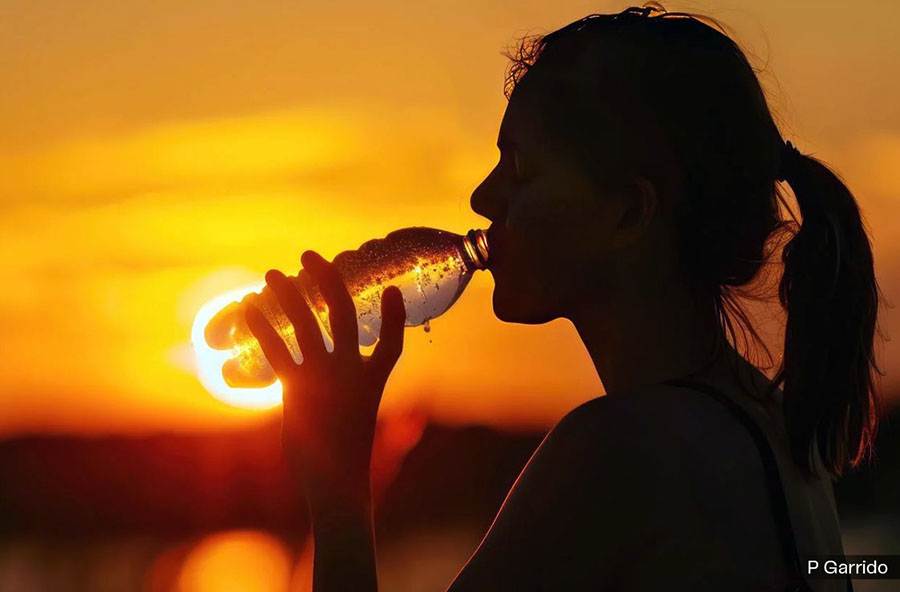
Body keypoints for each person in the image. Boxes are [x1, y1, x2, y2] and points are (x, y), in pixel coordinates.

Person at [244, 6, 881, 591]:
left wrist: (336, 489)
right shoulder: (772, 425)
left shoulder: (622, 449)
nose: (482, 200)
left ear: (628, 213)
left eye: (521, 171)